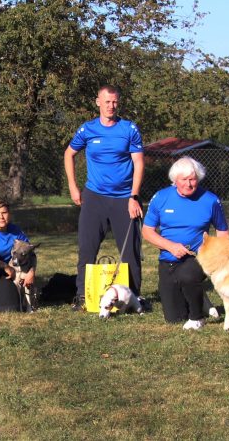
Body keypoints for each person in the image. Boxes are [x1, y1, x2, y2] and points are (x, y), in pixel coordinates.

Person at [64, 85, 144, 310]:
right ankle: (83, 296)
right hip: (94, 197)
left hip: (124, 198)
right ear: (98, 102)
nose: (111, 106)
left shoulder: (129, 129)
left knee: (131, 251)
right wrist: (73, 186)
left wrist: (134, 196)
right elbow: (69, 154)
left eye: (115, 102)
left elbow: (138, 163)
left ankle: (133, 297)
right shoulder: (87, 129)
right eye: (107, 101)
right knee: (87, 248)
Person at [142, 157, 229, 330]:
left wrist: (218, 258)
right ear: (175, 180)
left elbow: (223, 232)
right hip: (168, 258)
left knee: (187, 276)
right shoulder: (161, 197)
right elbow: (147, 232)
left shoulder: (210, 200)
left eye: (193, 179)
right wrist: (170, 246)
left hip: (198, 256)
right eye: (184, 180)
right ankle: (200, 298)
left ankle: (197, 318)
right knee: (174, 318)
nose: (189, 184)